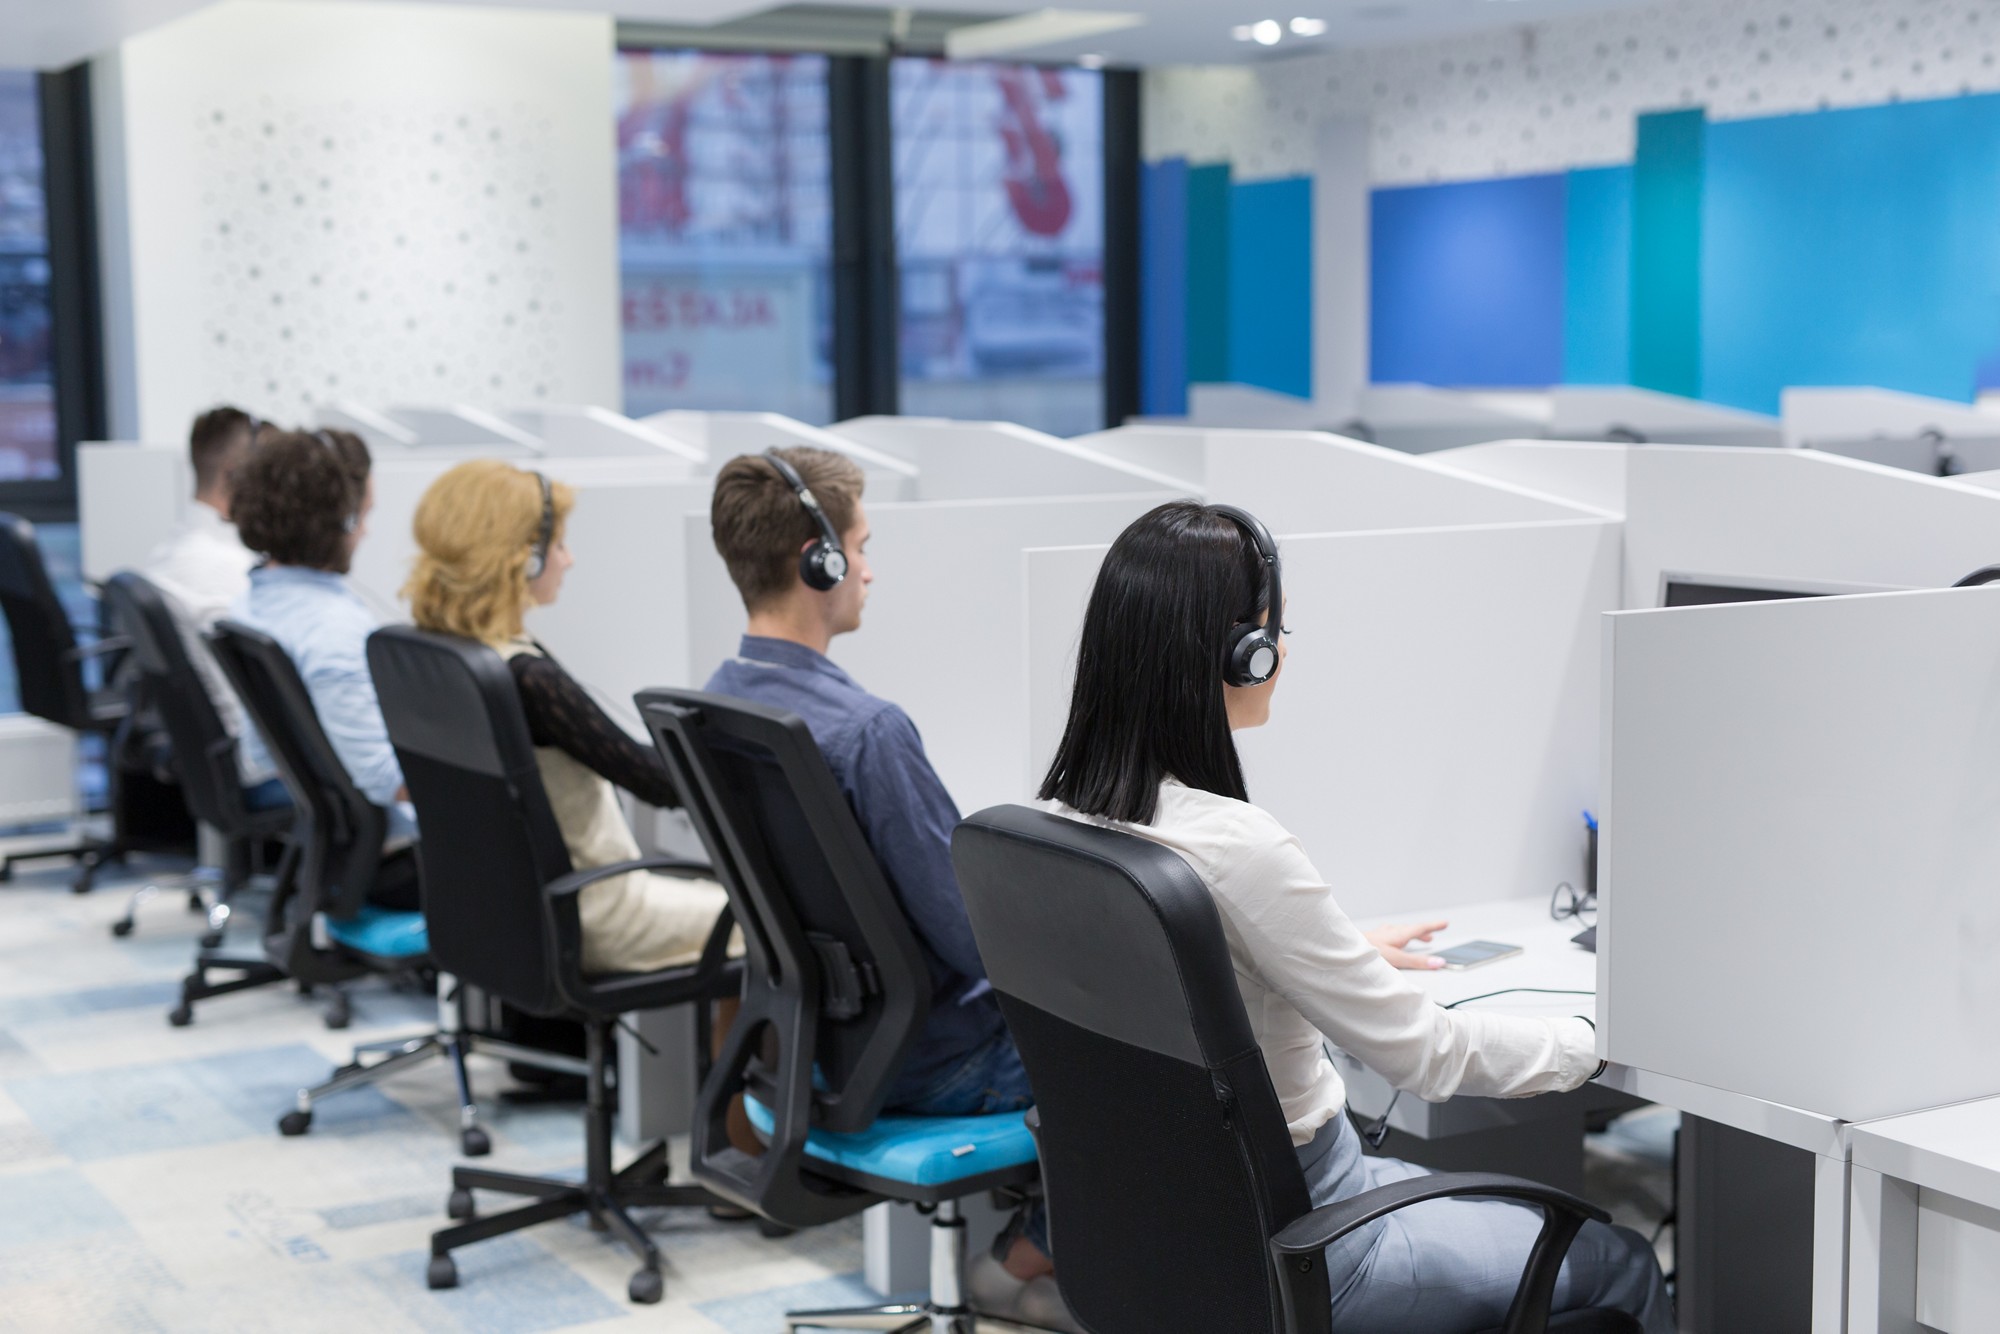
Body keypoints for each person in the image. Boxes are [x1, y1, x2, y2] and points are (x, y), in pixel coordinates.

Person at [699, 452, 1452, 1324]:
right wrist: (1274, 957)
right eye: (861, 546)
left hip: (820, 1044)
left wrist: (1315, 948)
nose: (867, 568)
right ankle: (1070, 1266)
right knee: (1155, 1051)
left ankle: (1051, 1258)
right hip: (935, 1059)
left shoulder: (726, 699)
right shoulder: (868, 733)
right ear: (820, 560)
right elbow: (976, 938)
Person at [1038, 501, 1673, 1334]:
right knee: (1622, 1263)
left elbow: (1172, 975)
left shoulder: (1061, 819)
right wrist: (1600, 1039)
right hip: (1312, 1234)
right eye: (1276, 632)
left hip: (1160, 1227)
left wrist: (1321, 954)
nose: (1283, 653)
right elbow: (1428, 1054)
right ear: (1242, 653)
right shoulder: (1236, 846)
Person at [403, 459, 730, 974]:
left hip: (502, 912)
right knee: (772, 923)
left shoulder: (441, 655)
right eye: (558, 545)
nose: (569, 559)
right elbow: (658, 784)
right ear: (523, 560)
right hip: (601, 914)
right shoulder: (529, 679)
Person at [227, 427, 418, 912]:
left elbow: (260, 753)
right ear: (342, 519)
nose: (366, 531)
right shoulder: (332, 632)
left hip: (326, 844)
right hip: (397, 863)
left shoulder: (251, 604)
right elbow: (382, 777)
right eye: (365, 515)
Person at [141, 405, 277, 792]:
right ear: (235, 476)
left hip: (212, 760)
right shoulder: (234, 572)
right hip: (259, 766)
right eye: (272, 475)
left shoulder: (169, 552)